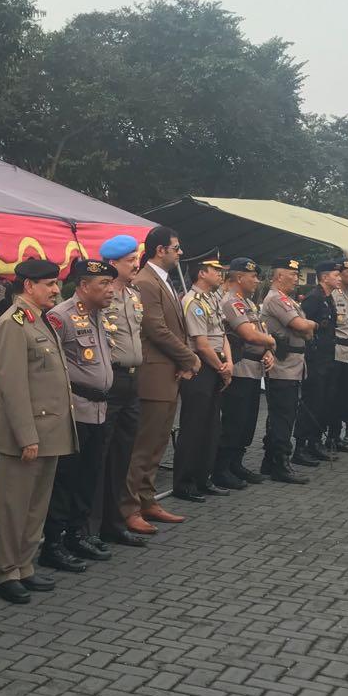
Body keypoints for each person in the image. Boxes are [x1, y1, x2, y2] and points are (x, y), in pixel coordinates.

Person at [0, 258, 76, 604]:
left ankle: (23, 565)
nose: (56, 289)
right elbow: (12, 386)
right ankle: (4, 572)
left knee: (35, 506)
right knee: (14, 507)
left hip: (49, 431)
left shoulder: (38, 319)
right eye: (49, 284)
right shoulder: (13, 323)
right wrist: (27, 436)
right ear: (28, 286)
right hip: (26, 435)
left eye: (56, 283)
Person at [121, 226, 200, 534]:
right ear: (160, 250)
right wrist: (189, 358)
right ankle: (129, 507)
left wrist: (182, 361)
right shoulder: (145, 281)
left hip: (167, 373)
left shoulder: (161, 280)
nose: (180, 253)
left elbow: (174, 328)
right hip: (153, 375)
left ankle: (147, 499)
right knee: (143, 446)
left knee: (157, 444)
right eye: (176, 248)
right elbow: (156, 329)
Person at [41, 258, 116, 571]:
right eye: (104, 284)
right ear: (84, 286)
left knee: (89, 476)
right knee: (66, 480)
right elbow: (50, 366)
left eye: (111, 284)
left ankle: (77, 534)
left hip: (99, 410)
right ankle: (53, 543)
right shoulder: (61, 316)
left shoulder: (99, 314)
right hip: (75, 410)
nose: (111, 290)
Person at [95, 236, 147, 548]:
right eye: (130, 261)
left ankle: (114, 523)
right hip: (110, 380)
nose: (135, 265)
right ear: (113, 264)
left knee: (122, 455)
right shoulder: (101, 296)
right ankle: (92, 526)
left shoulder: (133, 294)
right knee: (101, 456)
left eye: (135, 259)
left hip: (131, 381)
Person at [211, 258, 276, 490]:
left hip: (254, 369)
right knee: (234, 421)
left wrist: (268, 350)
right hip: (240, 368)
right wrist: (272, 341)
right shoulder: (231, 302)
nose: (257, 281)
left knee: (247, 422)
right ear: (239, 278)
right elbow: (249, 334)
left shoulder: (248, 303)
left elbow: (260, 332)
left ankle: (236, 463)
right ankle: (221, 469)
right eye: (253, 277)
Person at [172, 258, 231, 502]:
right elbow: (202, 344)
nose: (220, 274)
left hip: (216, 365)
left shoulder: (213, 299)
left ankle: (203, 478)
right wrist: (222, 368)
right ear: (201, 273)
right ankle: (184, 484)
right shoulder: (192, 301)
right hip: (200, 368)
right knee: (194, 427)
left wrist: (229, 362)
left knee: (211, 427)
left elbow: (222, 335)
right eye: (215, 271)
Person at [260, 258, 316, 484]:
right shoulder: (276, 299)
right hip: (282, 366)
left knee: (284, 415)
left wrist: (307, 328)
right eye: (292, 274)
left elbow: (306, 333)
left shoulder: (289, 300)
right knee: (282, 416)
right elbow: (303, 327)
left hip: (293, 365)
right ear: (279, 276)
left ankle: (270, 461)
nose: (296, 279)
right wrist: (311, 325)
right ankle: (280, 464)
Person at [293, 261, 342, 464]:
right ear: (324, 277)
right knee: (311, 402)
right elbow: (302, 326)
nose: (339, 278)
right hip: (314, 360)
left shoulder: (327, 298)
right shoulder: (313, 298)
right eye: (336, 275)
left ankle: (314, 442)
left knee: (323, 402)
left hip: (327, 358)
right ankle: (300, 447)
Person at [329, 259, 348, 451]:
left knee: (345, 398)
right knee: (332, 397)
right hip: (336, 351)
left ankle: (337, 436)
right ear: (339, 275)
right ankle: (330, 437)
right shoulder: (333, 293)